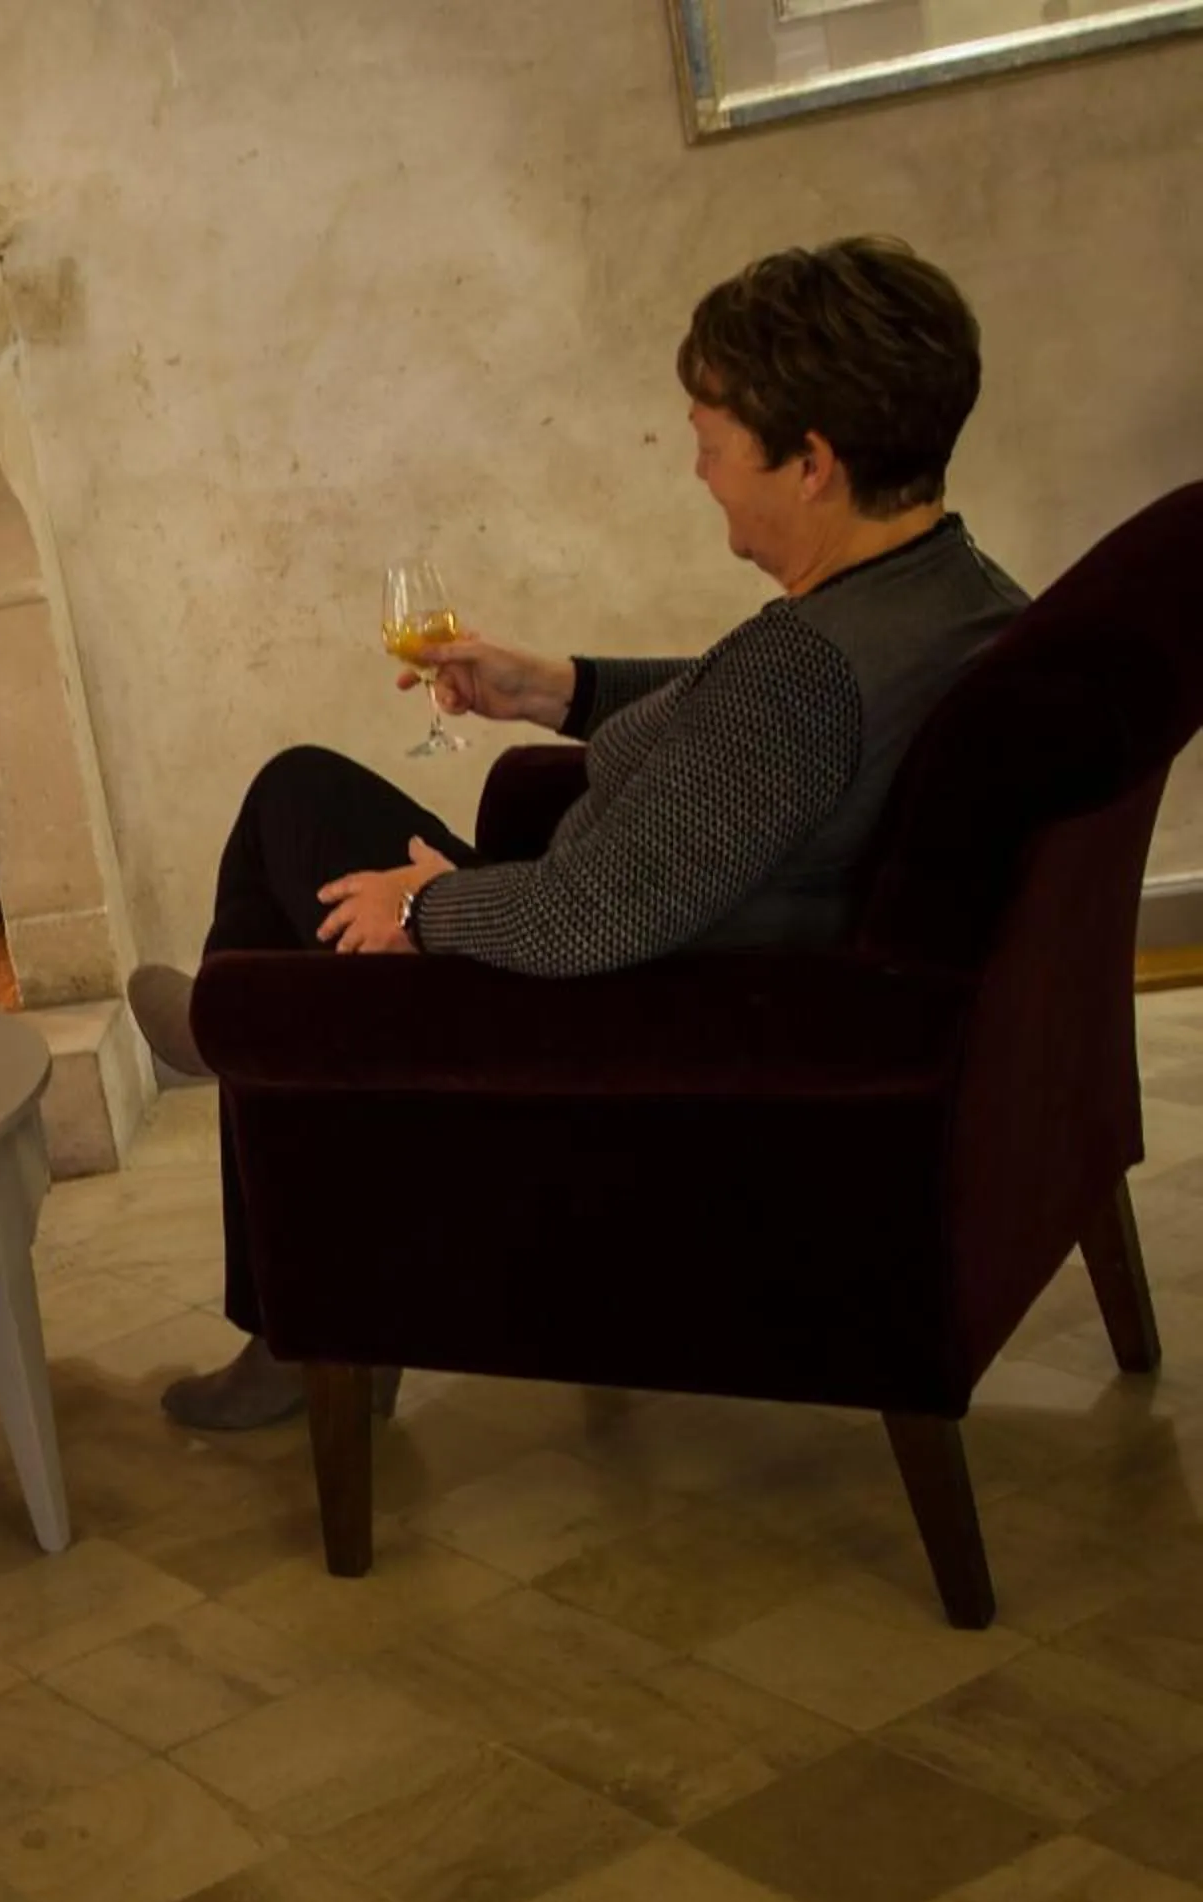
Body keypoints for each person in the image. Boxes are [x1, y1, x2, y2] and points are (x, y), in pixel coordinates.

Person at [129, 236, 1026, 1430]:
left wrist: (428, 910)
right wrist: (552, 686)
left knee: (294, 838)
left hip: (606, 1022)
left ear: (812, 462)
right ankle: (240, 1040)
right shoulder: (951, 595)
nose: (697, 467)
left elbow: (587, 915)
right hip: (660, 940)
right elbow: (730, 723)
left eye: (712, 443)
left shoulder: (807, 677)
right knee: (300, 813)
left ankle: (265, 1155)